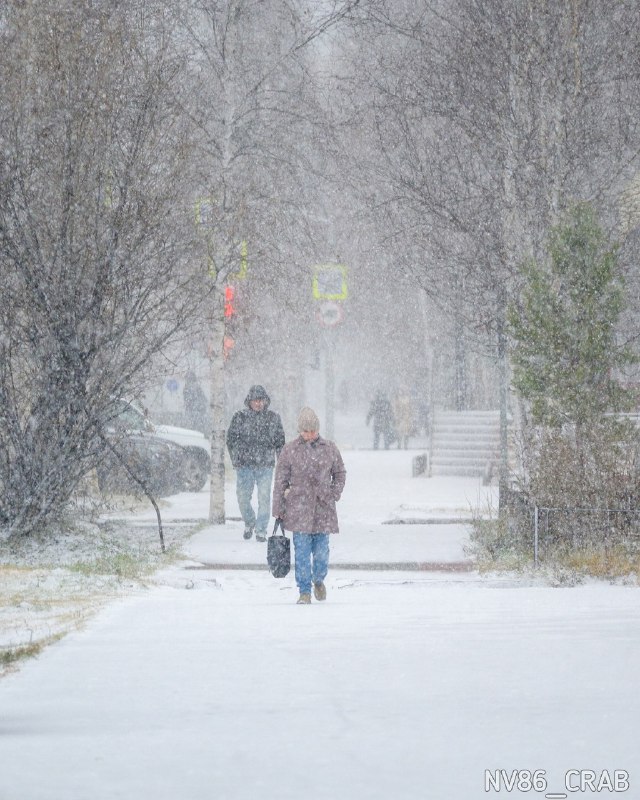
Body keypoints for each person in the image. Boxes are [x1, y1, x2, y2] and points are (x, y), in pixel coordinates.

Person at [272, 407, 346, 605]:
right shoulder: (289, 450)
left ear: (318, 429)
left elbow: (339, 473)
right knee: (302, 554)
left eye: (313, 430)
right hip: (298, 509)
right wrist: (278, 508)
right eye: (306, 431)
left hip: (323, 509)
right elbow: (281, 480)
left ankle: (319, 580)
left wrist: (334, 493)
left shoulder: (329, 448)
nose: (310, 435)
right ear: (299, 430)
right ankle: (304, 591)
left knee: (321, 553)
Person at [226, 385, 285, 542]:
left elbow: (280, 442)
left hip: (265, 465)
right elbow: (231, 440)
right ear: (249, 401)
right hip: (244, 466)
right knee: (242, 498)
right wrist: (236, 459)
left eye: (261, 400)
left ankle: (261, 529)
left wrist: (281, 463)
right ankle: (250, 521)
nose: (258, 404)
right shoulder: (239, 417)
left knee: (264, 497)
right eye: (255, 401)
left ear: (266, 401)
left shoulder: (273, 418)